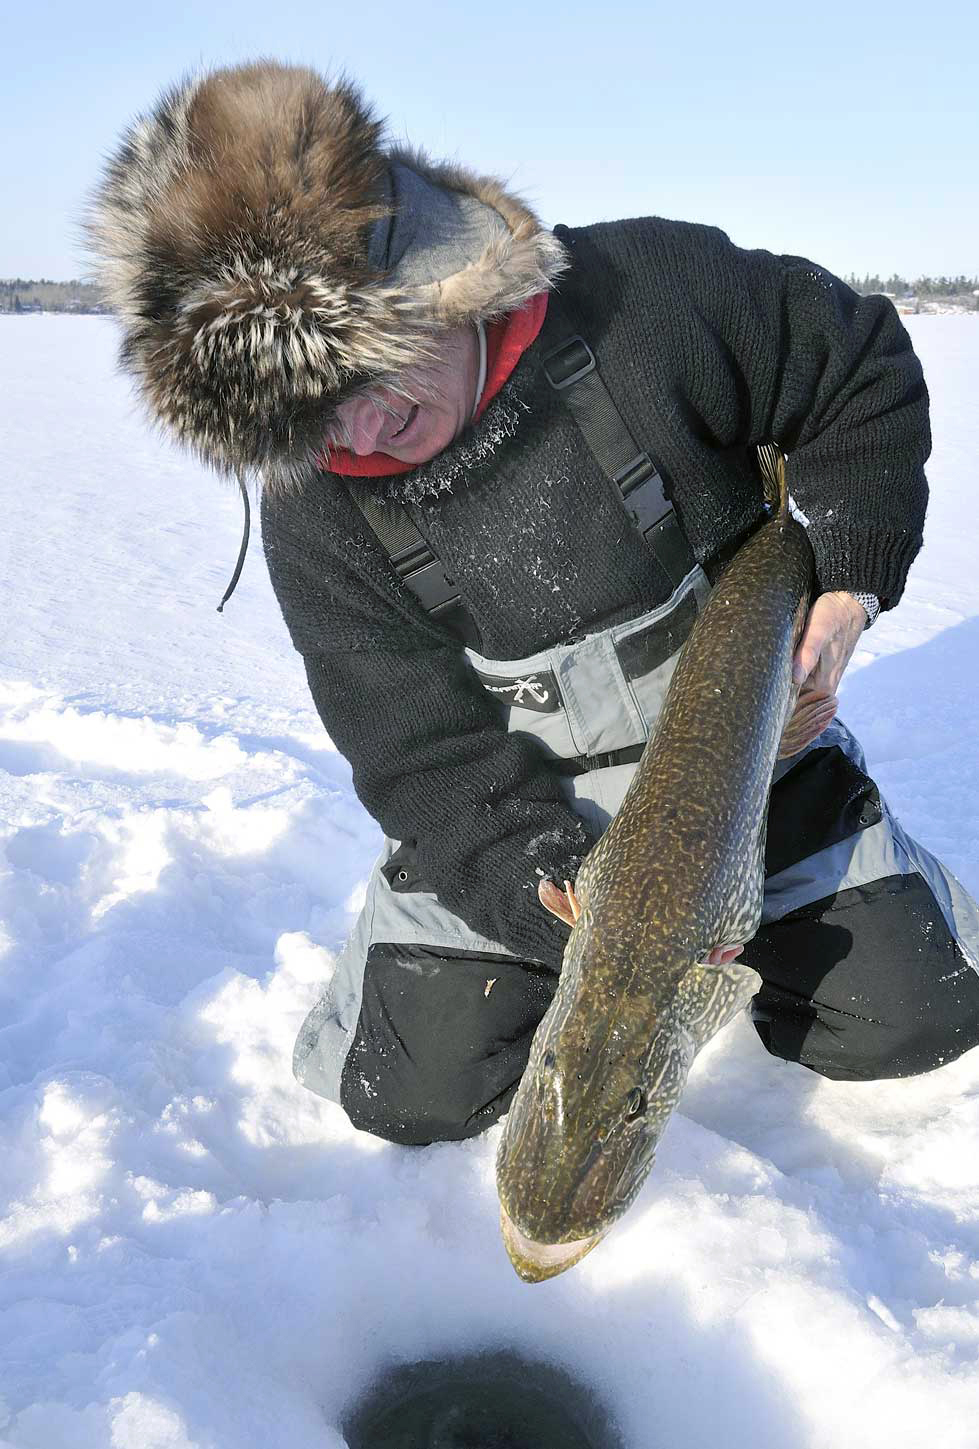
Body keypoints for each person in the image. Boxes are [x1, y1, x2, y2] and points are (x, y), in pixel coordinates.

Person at [86, 59, 979, 1153]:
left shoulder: (649, 295)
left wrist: (845, 583)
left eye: (365, 382)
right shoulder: (317, 514)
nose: (356, 440)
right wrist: (543, 887)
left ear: (423, 284)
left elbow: (854, 373)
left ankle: (843, 851)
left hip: (747, 756)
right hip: (532, 811)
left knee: (909, 1018)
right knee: (412, 1092)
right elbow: (417, 753)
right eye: (310, 423)